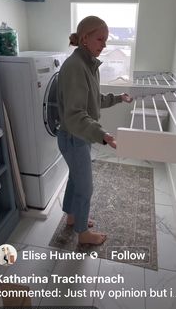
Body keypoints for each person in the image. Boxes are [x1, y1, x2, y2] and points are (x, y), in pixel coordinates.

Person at [57, 15, 133, 245]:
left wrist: (119, 97)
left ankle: (72, 216)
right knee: (85, 187)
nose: (104, 45)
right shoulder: (75, 67)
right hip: (73, 136)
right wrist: (103, 134)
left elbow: (94, 100)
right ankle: (83, 234)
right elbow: (75, 115)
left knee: (76, 179)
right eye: (100, 39)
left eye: (106, 40)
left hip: (78, 135)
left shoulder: (88, 64)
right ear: (84, 38)